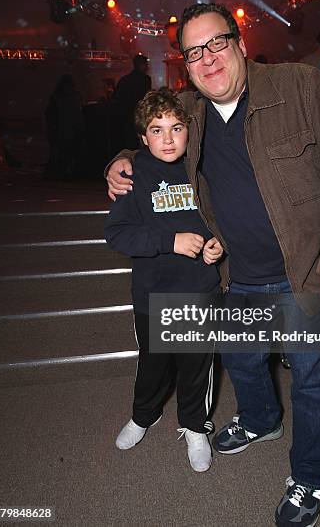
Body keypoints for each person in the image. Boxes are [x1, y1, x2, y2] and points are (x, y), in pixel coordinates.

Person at [105, 3, 320, 526]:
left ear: (240, 43)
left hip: (309, 272)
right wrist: (116, 162)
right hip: (233, 276)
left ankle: (311, 475)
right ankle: (260, 419)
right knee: (242, 361)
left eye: (218, 43)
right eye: (195, 51)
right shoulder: (192, 111)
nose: (208, 58)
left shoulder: (301, 88)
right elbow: (150, 132)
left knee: (318, 382)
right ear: (187, 63)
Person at [104, 89, 224, 473]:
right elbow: (117, 234)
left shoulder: (204, 168)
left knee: (195, 367)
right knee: (153, 363)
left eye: (176, 127)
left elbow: (224, 220)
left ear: (189, 130)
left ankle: (194, 427)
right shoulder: (133, 173)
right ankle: (144, 415)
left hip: (198, 289)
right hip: (152, 292)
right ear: (143, 137)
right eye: (157, 130)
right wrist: (169, 242)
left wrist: (218, 246)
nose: (168, 139)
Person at [110, 54, 152, 155]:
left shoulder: (124, 80)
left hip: (125, 117)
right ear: (141, 65)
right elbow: (146, 99)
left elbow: (116, 99)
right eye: (145, 64)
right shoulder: (145, 79)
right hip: (139, 116)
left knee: (129, 145)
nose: (147, 67)